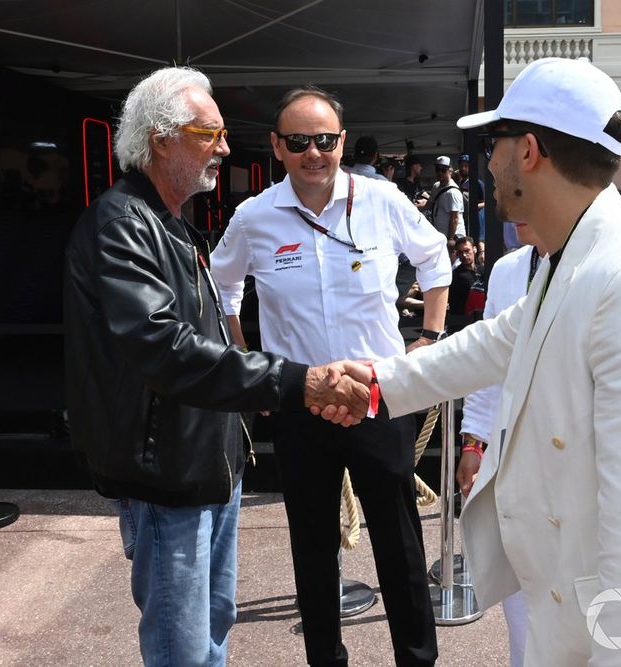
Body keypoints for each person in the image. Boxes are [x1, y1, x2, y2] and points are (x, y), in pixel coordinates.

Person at [323, 57, 621, 664]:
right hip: (569, 608)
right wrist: (378, 386)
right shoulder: (571, 254)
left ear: (527, 151)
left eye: (494, 142)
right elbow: (499, 340)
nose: (487, 162)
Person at [62, 68, 367, 667]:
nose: (226, 147)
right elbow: (163, 348)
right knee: (183, 647)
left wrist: (251, 386)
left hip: (208, 467)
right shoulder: (122, 224)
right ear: (160, 138)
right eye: (210, 133)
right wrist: (291, 380)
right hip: (167, 479)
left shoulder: (172, 225)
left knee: (210, 629)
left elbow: (206, 334)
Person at [210, 86, 448, 666]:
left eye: (325, 140)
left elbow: (436, 258)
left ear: (342, 141)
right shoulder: (254, 216)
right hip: (300, 403)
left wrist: (429, 340)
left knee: (400, 546)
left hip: (378, 397)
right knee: (312, 547)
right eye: (298, 142)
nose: (313, 153)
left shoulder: (382, 200)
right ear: (276, 147)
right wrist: (249, 366)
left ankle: (417, 659)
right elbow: (222, 287)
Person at [456, 219, 546, 667]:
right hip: (512, 460)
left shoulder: (612, 264)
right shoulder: (508, 269)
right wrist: (474, 440)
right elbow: (487, 362)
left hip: (580, 468)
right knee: (520, 603)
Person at [426, 155, 464, 241]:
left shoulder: (453, 192)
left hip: (453, 237)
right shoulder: (436, 186)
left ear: (450, 170)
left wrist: (450, 239)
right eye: (437, 169)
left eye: (443, 170)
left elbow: (455, 218)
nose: (440, 173)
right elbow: (428, 205)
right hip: (440, 236)